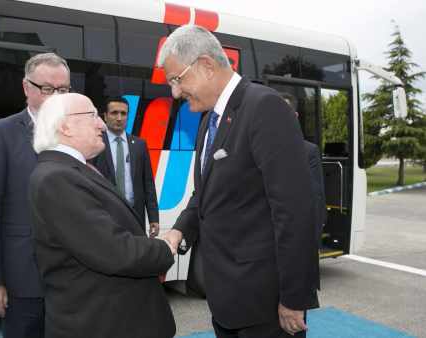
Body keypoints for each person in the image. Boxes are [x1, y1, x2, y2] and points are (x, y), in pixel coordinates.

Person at [159, 25, 319, 338]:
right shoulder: (208, 119)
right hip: (227, 299)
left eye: (177, 79)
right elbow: (205, 193)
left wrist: (293, 298)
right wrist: (179, 231)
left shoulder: (264, 107)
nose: (175, 92)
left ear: (206, 65)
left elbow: (294, 211)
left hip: (265, 304)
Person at [28, 93, 176, 338]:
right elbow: (114, 251)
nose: (101, 123)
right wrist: (164, 248)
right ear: (65, 126)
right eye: (93, 115)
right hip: (103, 324)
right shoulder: (57, 177)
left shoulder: (71, 169)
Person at [0, 53, 71, 338]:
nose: (55, 97)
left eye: (63, 90)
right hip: (23, 281)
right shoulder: (0, 134)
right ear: (27, 88)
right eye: (47, 89)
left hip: (72, 279)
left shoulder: (77, 131)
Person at [280, 92, 327, 308]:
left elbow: (315, 202)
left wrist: (310, 247)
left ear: (295, 116)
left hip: (295, 251)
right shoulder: (253, 147)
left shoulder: (308, 152)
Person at [92, 96, 159, 236]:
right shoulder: (95, 143)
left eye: (123, 113)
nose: (119, 118)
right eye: (114, 113)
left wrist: (154, 218)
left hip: (135, 215)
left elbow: (148, 184)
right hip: (106, 215)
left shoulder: (139, 145)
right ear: (105, 116)